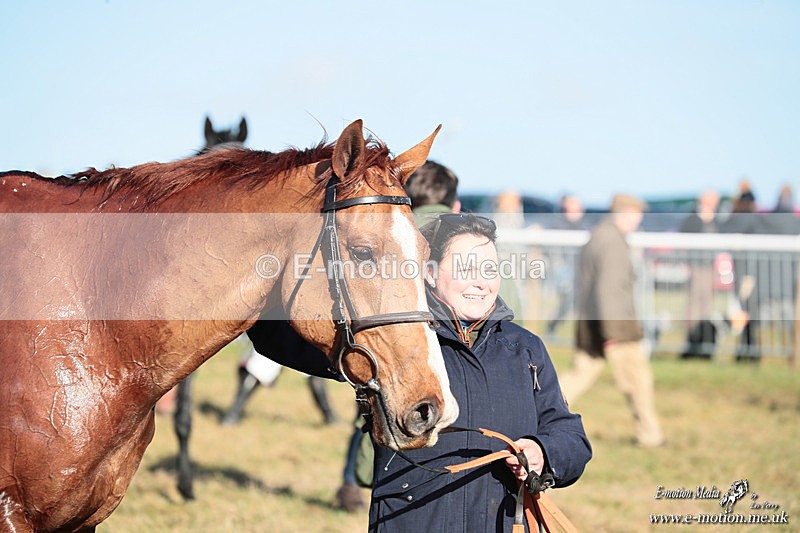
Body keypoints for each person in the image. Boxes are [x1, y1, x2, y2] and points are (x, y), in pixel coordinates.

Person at [368, 213, 591, 532]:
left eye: (490, 269)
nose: (481, 282)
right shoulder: (393, 343)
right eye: (466, 269)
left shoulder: (526, 349)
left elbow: (570, 436)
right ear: (430, 273)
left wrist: (543, 452)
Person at [334, 160, 462, 512]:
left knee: (370, 411)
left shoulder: (389, 234)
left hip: (388, 354)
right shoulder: (472, 242)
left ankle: (352, 481)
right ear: (455, 205)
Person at [559, 194, 666, 448]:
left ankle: (535, 414)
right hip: (616, 325)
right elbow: (610, 289)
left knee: (577, 376)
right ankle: (650, 435)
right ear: (625, 212)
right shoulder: (612, 241)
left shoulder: (599, 235)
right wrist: (612, 331)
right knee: (638, 380)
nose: (639, 219)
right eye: (637, 213)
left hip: (594, 321)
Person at [679, 189, 720, 359]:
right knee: (694, 307)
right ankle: (692, 341)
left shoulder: (716, 220)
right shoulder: (692, 218)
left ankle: (705, 343)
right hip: (696, 266)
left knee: (706, 306)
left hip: (709, 266)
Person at [546, 194, 589, 335]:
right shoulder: (557, 225)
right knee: (567, 303)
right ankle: (552, 327)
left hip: (582, 271)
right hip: (565, 272)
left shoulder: (586, 226)